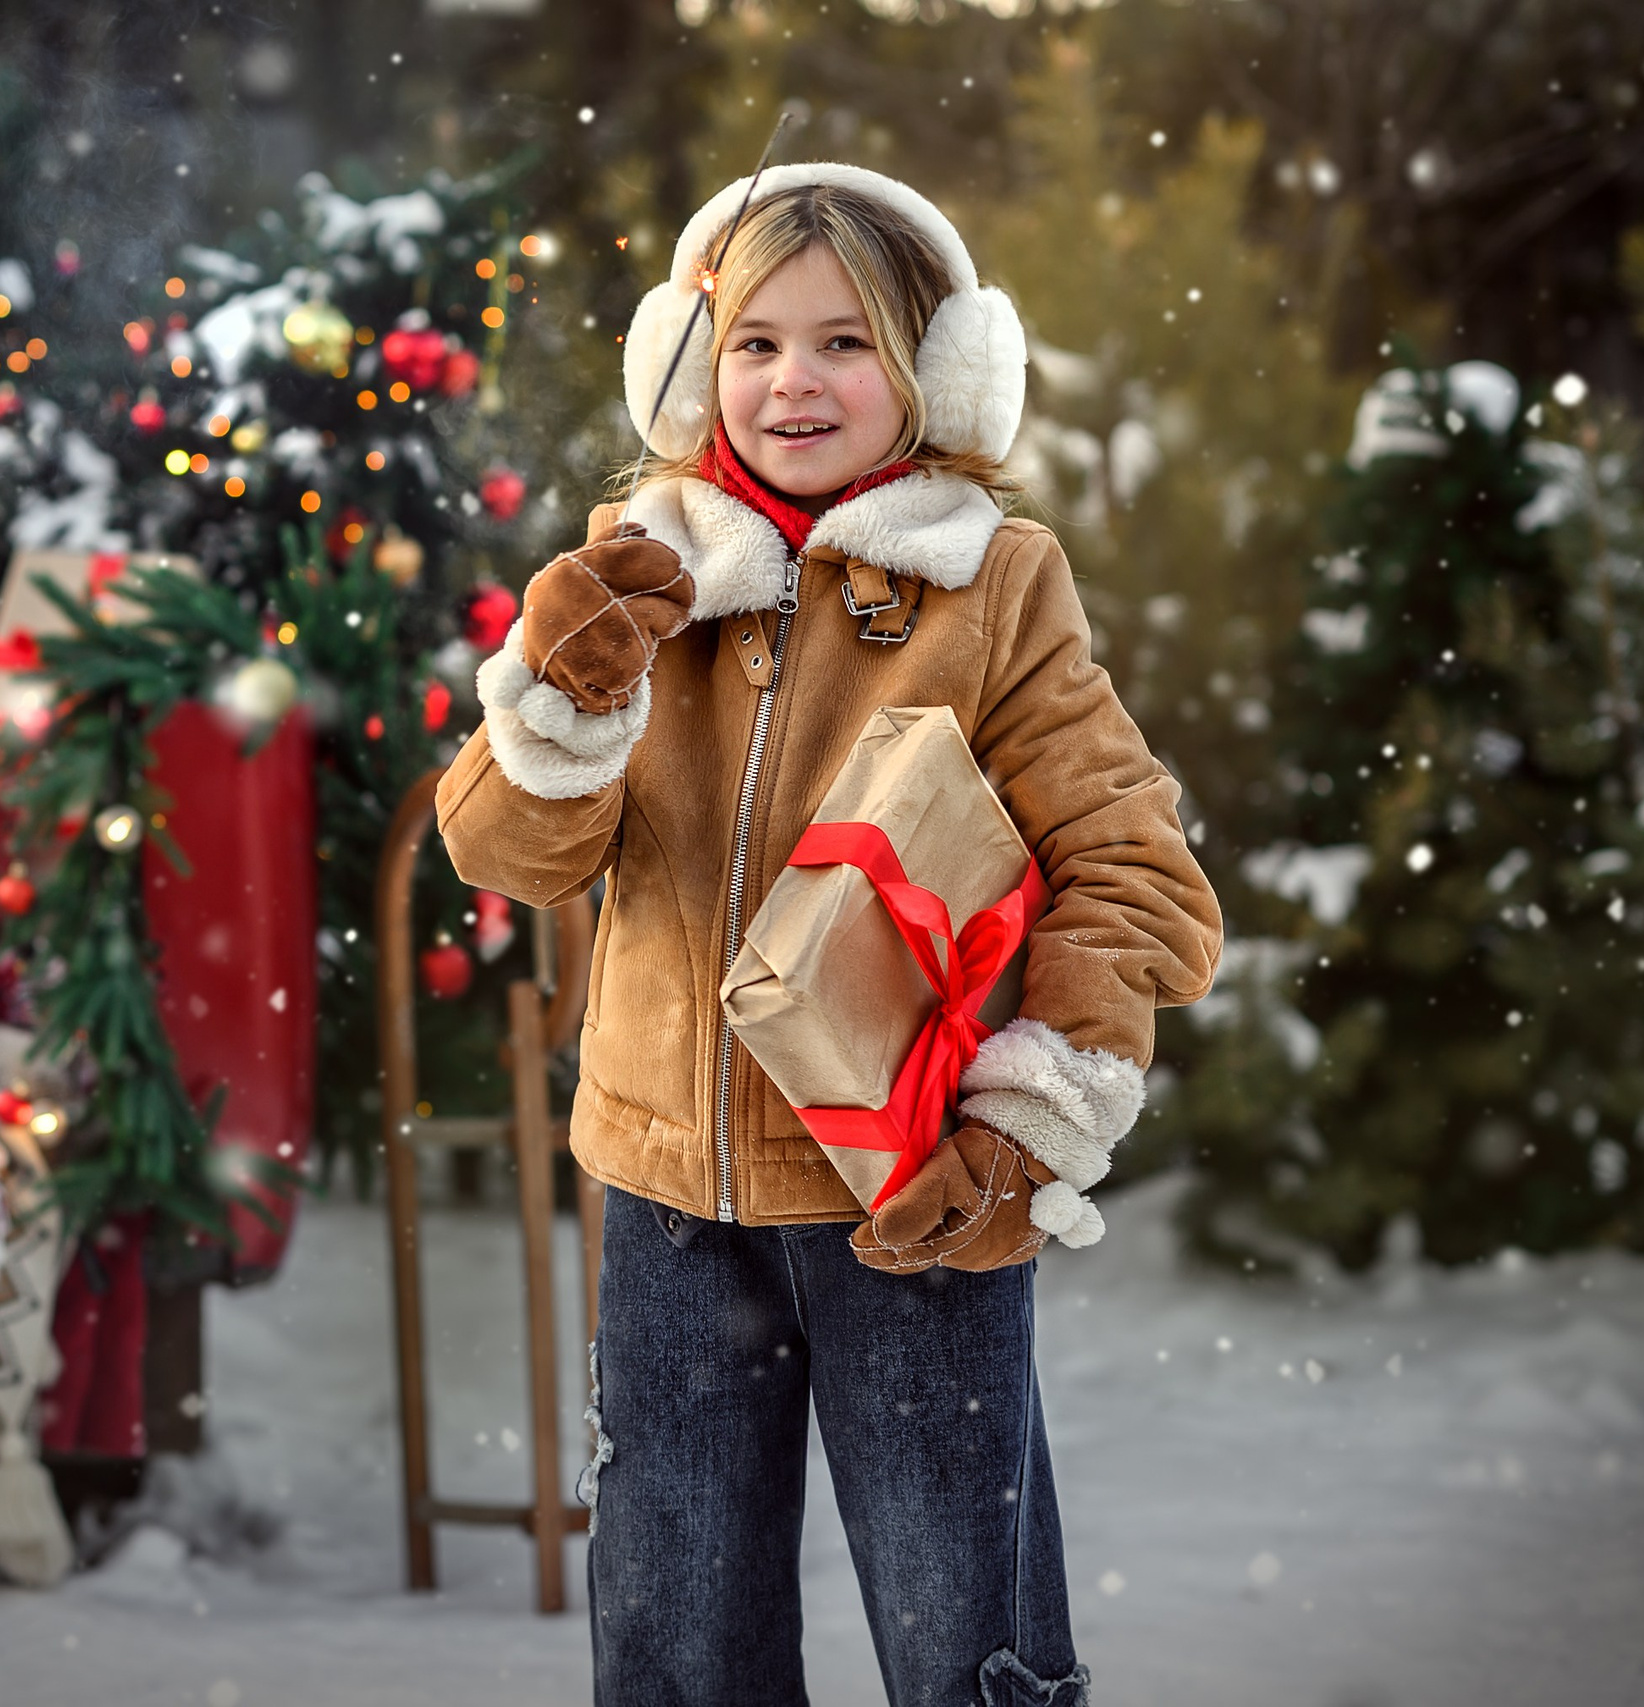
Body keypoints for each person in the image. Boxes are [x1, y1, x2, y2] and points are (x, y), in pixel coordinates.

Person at [436, 165, 1222, 1706]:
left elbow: (1131, 869)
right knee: (675, 1651)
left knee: (965, 1645)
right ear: (685, 365)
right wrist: (567, 704)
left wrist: (1030, 1114)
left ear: (935, 371)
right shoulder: (632, 580)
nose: (795, 379)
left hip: (916, 1188)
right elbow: (509, 852)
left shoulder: (993, 588)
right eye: (752, 342)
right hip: (668, 1204)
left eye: (847, 341)